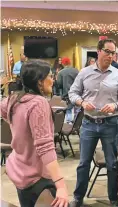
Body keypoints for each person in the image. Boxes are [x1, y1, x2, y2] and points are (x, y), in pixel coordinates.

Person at [68, 39, 118, 207]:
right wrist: (81, 102)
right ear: (99, 51)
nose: (111, 56)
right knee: (83, 163)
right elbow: (72, 93)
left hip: (110, 124)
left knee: (112, 163)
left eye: (114, 53)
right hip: (88, 124)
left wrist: (116, 105)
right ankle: (78, 198)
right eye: (108, 52)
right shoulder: (84, 73)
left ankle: (113, 199)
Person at [1, 60, 69, 207]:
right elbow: (45, 147)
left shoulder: (14, 99)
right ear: (39, 82)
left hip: (19, 171)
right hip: (36, 177)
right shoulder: (38, 103)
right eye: (50, 76)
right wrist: (61, 186)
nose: (53, 79)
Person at [57, 57, 79, 123]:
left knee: (68, 110)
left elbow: (59, 84)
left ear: (63, 63)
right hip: (76, 94)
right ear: (70, 62)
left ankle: (69, 124)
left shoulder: (61, 72)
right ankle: (75, 124)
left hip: (66, 94)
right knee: (76, 110)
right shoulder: (76, 71)